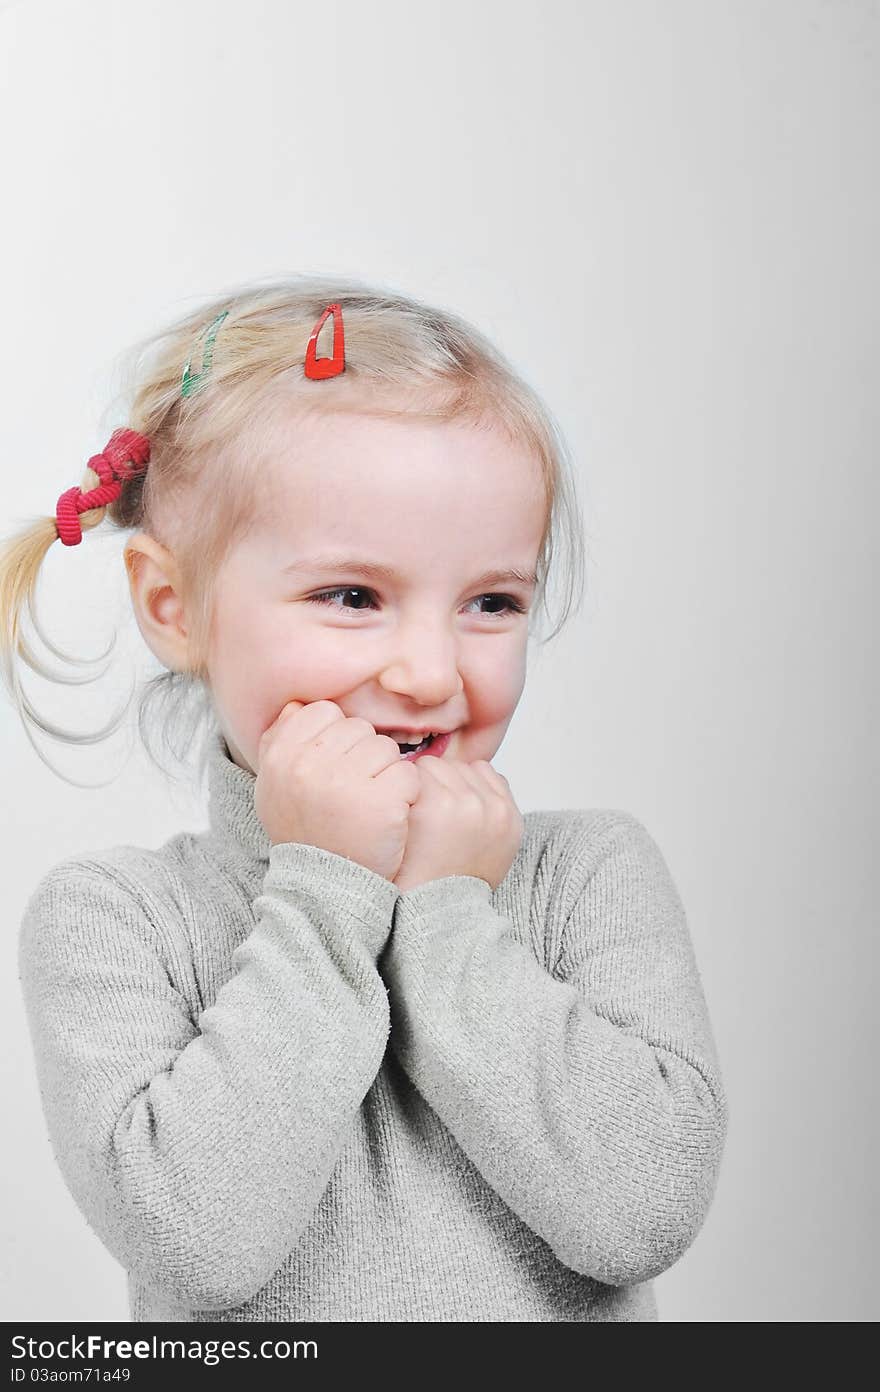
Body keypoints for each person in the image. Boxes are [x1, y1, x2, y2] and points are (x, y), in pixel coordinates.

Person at [6, 275, 727, 1322]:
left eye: (491, 601)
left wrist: (448, 917)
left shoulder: (590, 877)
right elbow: (199, 1244)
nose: (431, 673)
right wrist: (326, 890)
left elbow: (642, 1211)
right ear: (174, 608)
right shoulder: (115, 921)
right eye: (352, 597)